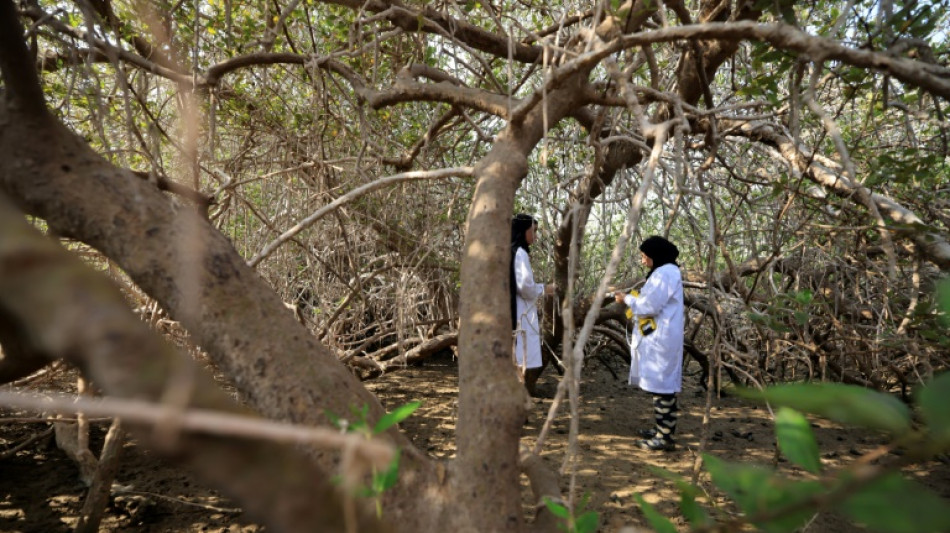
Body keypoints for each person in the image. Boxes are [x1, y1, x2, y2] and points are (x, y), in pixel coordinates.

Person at [614, 235, 684, 451]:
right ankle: (662, 430)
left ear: (656, 256)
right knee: (662, 387)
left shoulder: (665, 273)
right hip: (661, 337)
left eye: (645, 256)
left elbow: (649, 306)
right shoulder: (666, 272)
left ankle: (664, 438)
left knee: (662, 388)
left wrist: (626, 299)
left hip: (661, 340)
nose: (643, 261)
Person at [510, 214, 556, 397]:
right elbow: (526, 288)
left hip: (511, 311)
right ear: (523, 231)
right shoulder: (520, 254)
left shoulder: (509, 251)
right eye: (533, 231)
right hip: (520, 312)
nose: (535, 236)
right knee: (520, 361)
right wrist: (545, 289)